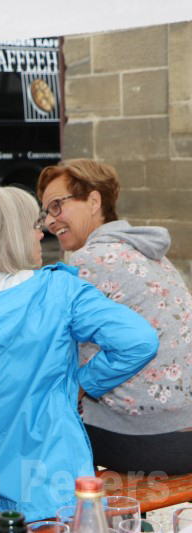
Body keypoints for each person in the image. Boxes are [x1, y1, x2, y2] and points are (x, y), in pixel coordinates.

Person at [0, 186, 159, 520]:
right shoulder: (58, 291)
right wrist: (83, 383)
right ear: (13, 234)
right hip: (51, 485)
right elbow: (139, 340)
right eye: (33, 224)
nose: (41, 231)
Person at [37, 159, 192, 475]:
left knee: (41, 420)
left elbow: (57, 353)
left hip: (150, 439)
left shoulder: (90, 260)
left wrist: (78, 385)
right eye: (45, 213)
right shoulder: (150, 254)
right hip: (184, 430)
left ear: (94, 201)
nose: (50, 222)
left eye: (57, 206)